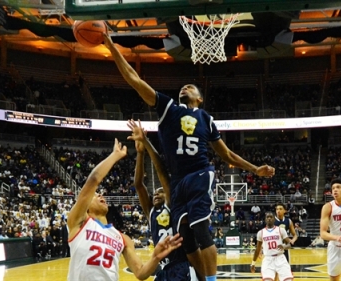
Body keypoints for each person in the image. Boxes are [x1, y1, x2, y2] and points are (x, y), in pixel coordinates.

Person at [104, 34, 276, 281]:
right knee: (185, 236)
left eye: (191, 87)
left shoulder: (206, 118)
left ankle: (212, 280)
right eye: (182, 87)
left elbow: (226, 154)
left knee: (200, 229)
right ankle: (203, 278)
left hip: (199, 174)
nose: (185, 87)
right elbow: (135, 80)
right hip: (177, 181)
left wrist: (254, 169)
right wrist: (111, 46)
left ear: (200, 97)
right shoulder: (169, 107)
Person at [66, 139, 183, 281]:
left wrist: (156, 257)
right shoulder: (78, 223)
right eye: (96, 195)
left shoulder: (123, 238)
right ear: (86, 206)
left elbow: (140, 273)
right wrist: (114, 155)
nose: (100, 195)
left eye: (100, 194)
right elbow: (93, 181)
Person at [128, 119, 202, 281]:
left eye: (160, 192)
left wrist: (146, 142)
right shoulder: (150, 211)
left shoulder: (172, 205)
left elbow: (162, 173)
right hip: (163, 268)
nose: (156, 193)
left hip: (181, 264)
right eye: (155, 193)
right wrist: (140, 153)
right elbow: (138, 184)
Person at [250, 212, 294, 281]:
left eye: (271, 217)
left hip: (280, 258)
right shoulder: (260, 233)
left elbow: (289, 244)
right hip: (268, 259)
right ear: (265, 219)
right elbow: (257, 249)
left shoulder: (281, 230)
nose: (269, 218)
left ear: (274, 219)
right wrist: (253, 263)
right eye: (267, 217)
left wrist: (284, 247)